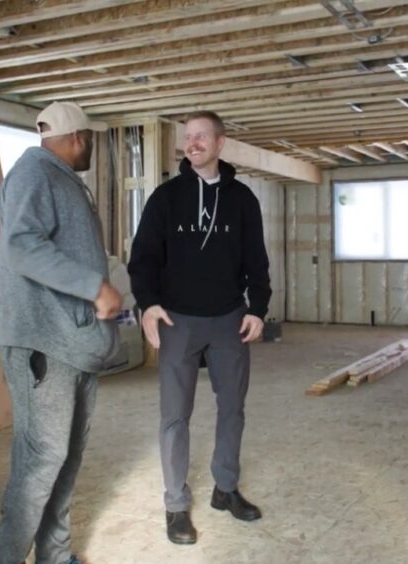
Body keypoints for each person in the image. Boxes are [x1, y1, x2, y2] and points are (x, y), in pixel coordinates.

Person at [128, 110, 271, 545]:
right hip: (178, 319)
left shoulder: (243, 199)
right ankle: (175, 505)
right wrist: (149, 305)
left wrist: (258, 308)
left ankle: (225, 489)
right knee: (175, 416)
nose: (192, 144)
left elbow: (256, 260)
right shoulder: (165, 197)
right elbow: (144, 259)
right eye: (187, 138)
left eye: (201, 137)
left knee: (233, 408)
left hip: (229, 318)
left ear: (220, 143)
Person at [0, 101, 125, 564]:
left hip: (73, 345)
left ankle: (55, 555)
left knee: (65, 459)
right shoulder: (35, 174)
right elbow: (22, 247)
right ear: (77, 138)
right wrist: (94, 286)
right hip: (43, 346)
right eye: (90, 138)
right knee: (40, 461)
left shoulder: (62, 179)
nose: (91, 146)